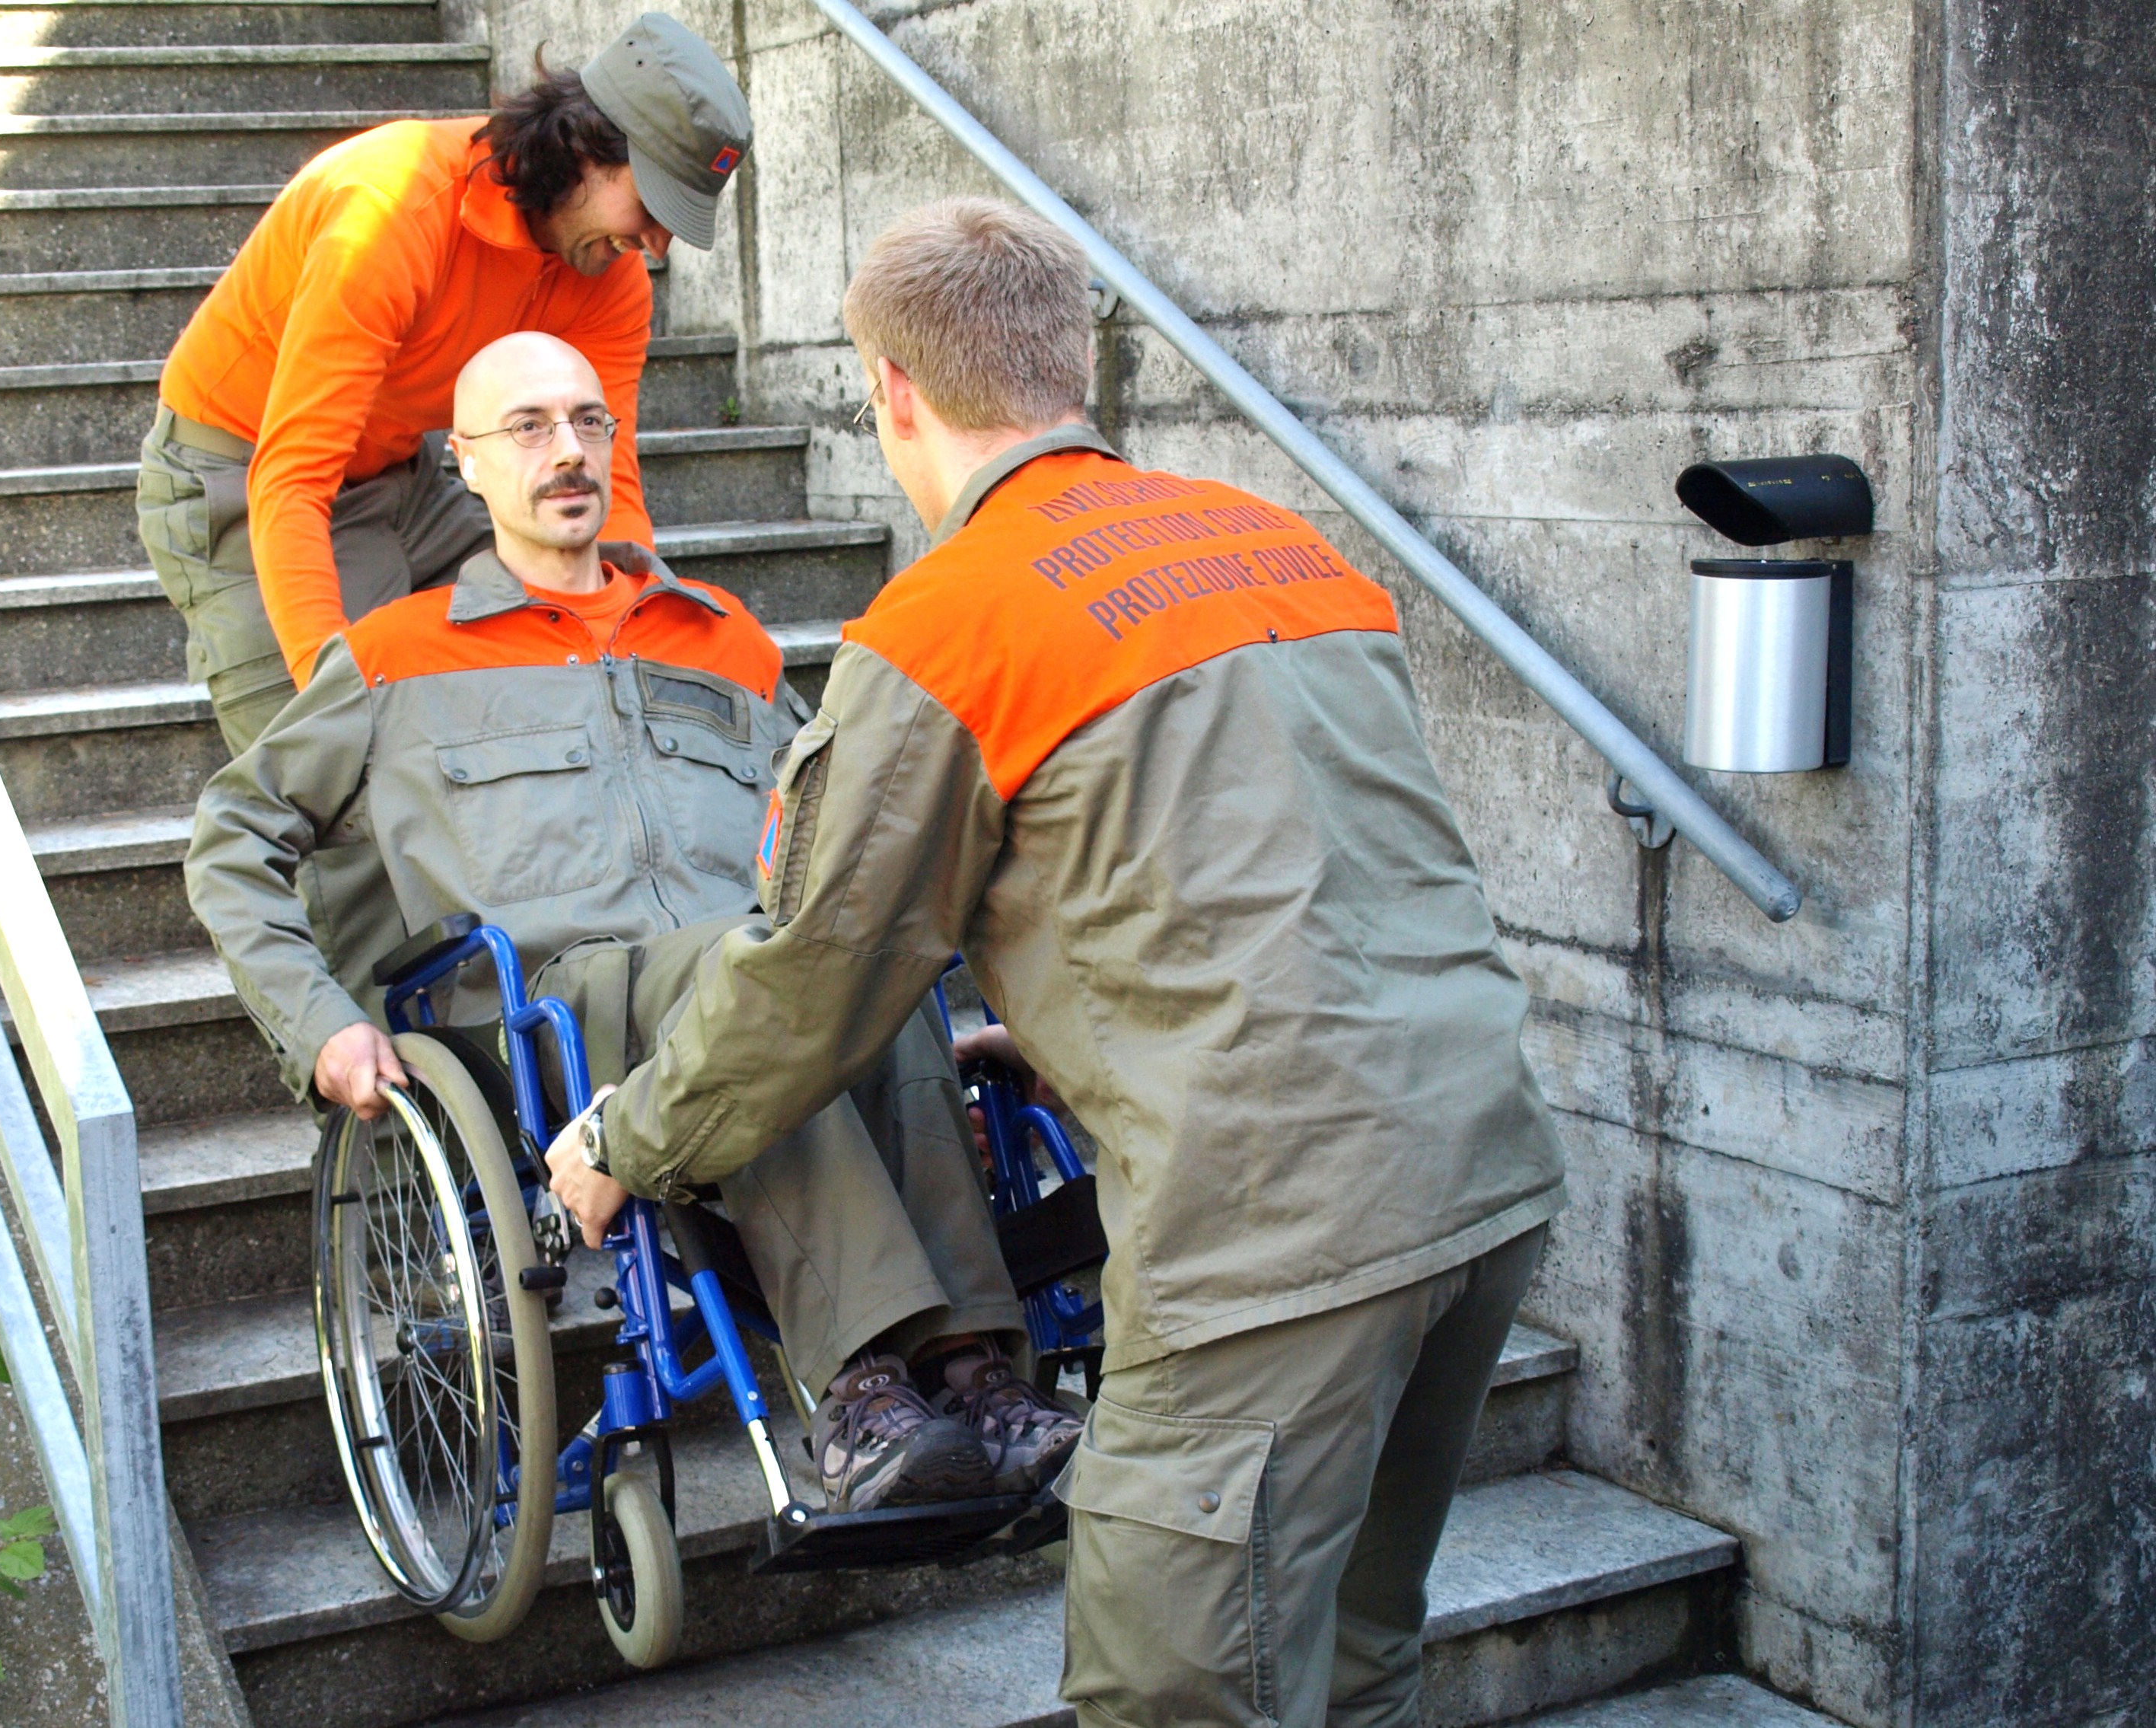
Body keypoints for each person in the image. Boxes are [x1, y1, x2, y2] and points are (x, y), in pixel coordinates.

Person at [544, 199, 1569, 1728]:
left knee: (1174, 1692)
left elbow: (810, 975)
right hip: (1480, 1171)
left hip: (1271, 1237)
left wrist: (624, 1139)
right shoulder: (1281, 545)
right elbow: (1306, 859)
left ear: (892, 390)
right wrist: (1059, 1023)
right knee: (1354, 1660)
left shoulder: (949, 626)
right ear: (1070, 359)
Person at [182, 330, 1082, 1517]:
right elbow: (231, 840)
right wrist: (320, 1024)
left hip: (749, 979)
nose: (567, 450)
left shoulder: (725, 641)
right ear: (466, 464)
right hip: (556, 1016)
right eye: (529, 427)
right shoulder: (395, 659)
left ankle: (975, 1378)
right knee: (761, 978)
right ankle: (862, 1392)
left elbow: (853, 847)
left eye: (588, 420)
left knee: (856, 954)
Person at [140, 12, 750, 754]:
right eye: (653, 204)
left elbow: (607, 483)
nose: (657, 243)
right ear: (584, 147)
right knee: (339, 776)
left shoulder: (610, 276)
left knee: (550, 678)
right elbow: (292, 477)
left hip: (400, 470)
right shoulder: (391, 207)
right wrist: (332, 706)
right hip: (239, 470)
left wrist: (634, 641)